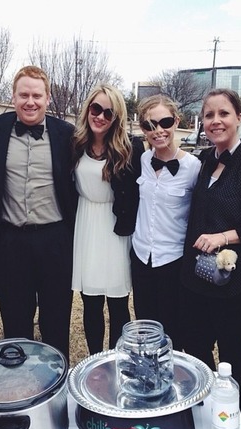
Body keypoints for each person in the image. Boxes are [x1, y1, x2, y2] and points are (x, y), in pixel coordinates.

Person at [176, 88, 241, 414]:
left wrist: (222, 237)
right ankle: (205, 412)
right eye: (209, 115)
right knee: (196, 348)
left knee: (233, 356)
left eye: (223, 113)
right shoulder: (203, 161)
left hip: (240, 285)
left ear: (239, 118)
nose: (216, 121)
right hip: (198, 280)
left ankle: (230, 420)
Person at [0, 65, 78, 359]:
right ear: (13, 97)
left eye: (37, 95)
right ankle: (20, 387)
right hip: (10, 240)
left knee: (56, 318)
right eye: (24, 95)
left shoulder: (66, 134)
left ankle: (56, 383)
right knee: (15, 318)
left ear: (47, 98)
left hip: (55, 239)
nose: (30, 102)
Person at [71, 84, 142, 355]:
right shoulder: (75, 142)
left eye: (108, 113)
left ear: (117, 118)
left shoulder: (129, 147)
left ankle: (116, 358)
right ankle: (95, 360)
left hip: (116, 228)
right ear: (88, 109)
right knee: (90, 301)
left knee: (118, 302)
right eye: (96, 108)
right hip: (85, 223)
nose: (100, 116)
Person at [129, 94, 200, 347]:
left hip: (173, 261)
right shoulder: (143, 160)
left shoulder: (194, 167)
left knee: (174, 332)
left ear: (176, 121)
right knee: (146, 331)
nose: (158, 131)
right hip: (141, 257)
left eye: (164, 122)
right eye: (150, 125)